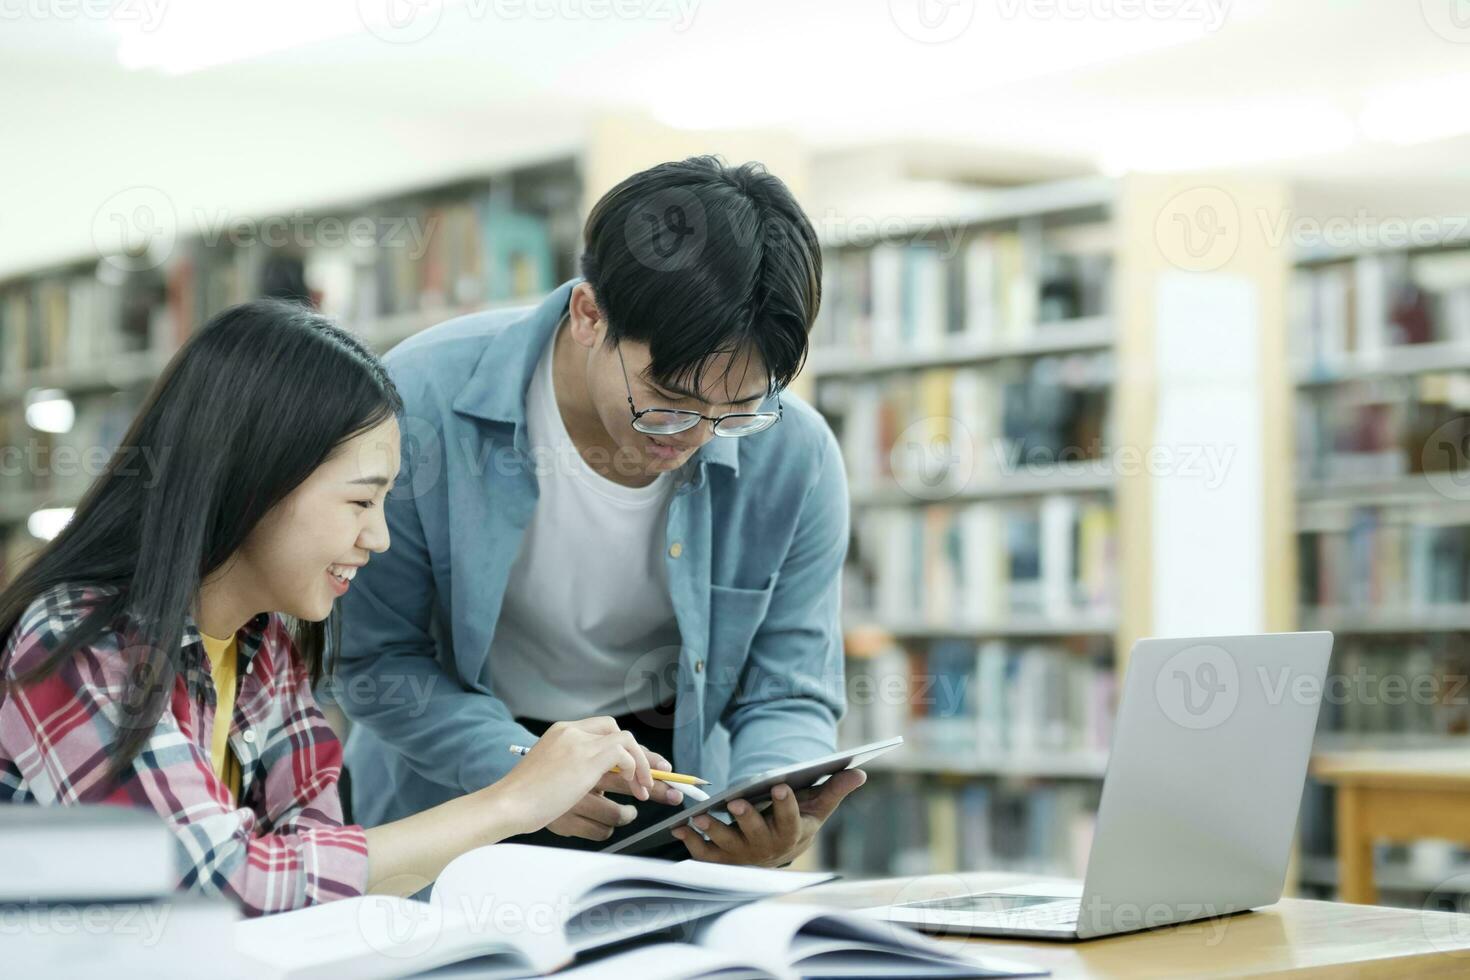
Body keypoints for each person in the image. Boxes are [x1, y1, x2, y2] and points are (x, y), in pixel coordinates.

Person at [0, 299, 659, 916]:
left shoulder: (267, 648)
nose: (379, 538)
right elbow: (211, 885)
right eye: (358, 501)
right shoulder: (77, 644)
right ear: (256, 478)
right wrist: (512, 801)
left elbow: (315, 866)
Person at [338, 156, 865, 867]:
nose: (693, 437)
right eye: (667, 400)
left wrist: (768, 801)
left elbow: (789, 686)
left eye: (737, 409)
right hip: (459, 789)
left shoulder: (795, 456)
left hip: (677, 793)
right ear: (590, 315)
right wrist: (523, 774)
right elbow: (378, 657)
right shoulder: (420, 401)